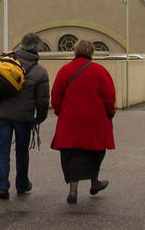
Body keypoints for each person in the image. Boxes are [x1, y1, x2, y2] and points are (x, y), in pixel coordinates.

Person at [50, 39, 116, 204]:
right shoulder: (100, 71)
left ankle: (73, 192)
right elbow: (109, 96)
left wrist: (60, 111)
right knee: (95, 152)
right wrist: (110, 113)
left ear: (75, 51)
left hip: (70, 120)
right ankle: (94, 182)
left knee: (72, 154)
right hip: (95, 120)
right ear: (91, 52)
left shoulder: (65, 70)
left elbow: (56, 95)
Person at [0, 33, 50, 200]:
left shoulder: (7, 62)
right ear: (37, 48)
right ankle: (22, 183)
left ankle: (3, 185)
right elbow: (42, 101)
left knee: (2, 150)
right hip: (24, 117)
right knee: (22, 151)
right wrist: (39, 118)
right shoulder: (40, 72)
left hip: (3, 114)